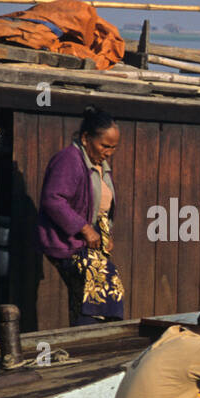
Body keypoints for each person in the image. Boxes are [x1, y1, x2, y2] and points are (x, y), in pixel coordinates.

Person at [36, 106, 126, 326]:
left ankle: (95, 338)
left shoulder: (99, 165)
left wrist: (104, 234)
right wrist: (85, 229)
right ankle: (85, 341)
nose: (109, 152)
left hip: (90, 244)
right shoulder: (70, 160)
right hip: (69, 243)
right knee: (94, 289)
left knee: (104, 290)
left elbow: (100, 207)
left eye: (113, 147)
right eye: (105, 145)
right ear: (86, 138)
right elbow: (53, 199)